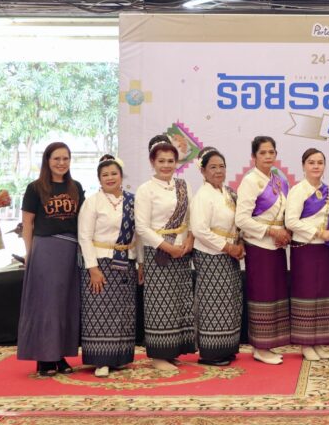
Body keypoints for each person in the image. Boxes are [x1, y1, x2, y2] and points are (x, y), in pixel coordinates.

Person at [17, 142, 85, 377]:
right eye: (57, 158)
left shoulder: (76, 187)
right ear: (47, 160)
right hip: (45, 249)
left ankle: (60, 354)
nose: (61, 163)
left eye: (65, 158)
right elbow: (27, 224)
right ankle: (44, 358)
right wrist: (29, 253)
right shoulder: (35, 188)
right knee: (47, 304)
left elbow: (82, 221)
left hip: (70, 250)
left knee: (66, 304)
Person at [135, 134, 195, 372]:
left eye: (171, 161)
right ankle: (159, 355)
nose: (166, 165)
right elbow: (142, 228)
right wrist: (167, 247)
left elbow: (191, 217)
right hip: (158, 253)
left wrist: (189, 240)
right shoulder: (146, 190)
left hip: (182, 250)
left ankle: (173, 350)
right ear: (153, 162)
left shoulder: (184, 185)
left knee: (179, 302)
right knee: (160, 305)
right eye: (161, 161)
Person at [77, 155, 141, 378]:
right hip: (101, 263)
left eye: (114, 173)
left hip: (125, 261)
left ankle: (120, 357)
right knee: (100, 311)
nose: (110, 178)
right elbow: (84, 237)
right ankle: (101, 360)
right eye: (105, 175)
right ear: (99, 179)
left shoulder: (132, 201)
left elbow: (138, 235)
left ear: (121, 176)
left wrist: (140, 262)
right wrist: (93, 269)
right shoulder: (92, 202)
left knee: (124, 311)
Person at [235, 136, 292, 365]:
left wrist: (285, 232)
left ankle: (269, 343)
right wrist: (271, 231)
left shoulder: (278, 180)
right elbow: (241, 219)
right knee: (262, 295)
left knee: (275, 295)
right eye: (263, 153)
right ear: (253, 157)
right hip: (259, 246)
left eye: (271, 152)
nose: (268, 156)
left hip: (276, 246)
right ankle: (259, 347)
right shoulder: (250, 181)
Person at [189, 146, 244, 366]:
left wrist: (239, 244)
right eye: (212, 167)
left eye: (221, 166)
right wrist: (227, 247)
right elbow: (199, 230)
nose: (218, 171)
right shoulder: (203, 195)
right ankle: (210, 353)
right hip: (210, 253)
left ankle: (226, 347)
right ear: (203, 171)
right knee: (213, 302)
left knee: (229, 301)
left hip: (228, 253)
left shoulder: (227, 192)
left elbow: (238, 222)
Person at [284, 148, 329, 361]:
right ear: (303, 166)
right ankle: (305, 343)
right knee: (305, 293)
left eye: (320, 162)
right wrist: (318, 232)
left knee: (322, 293)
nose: (316, 166)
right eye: (311, 162)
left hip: (322, 249)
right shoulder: (298, 190)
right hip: (304, 248)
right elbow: (291, 221)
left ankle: (318, 340)